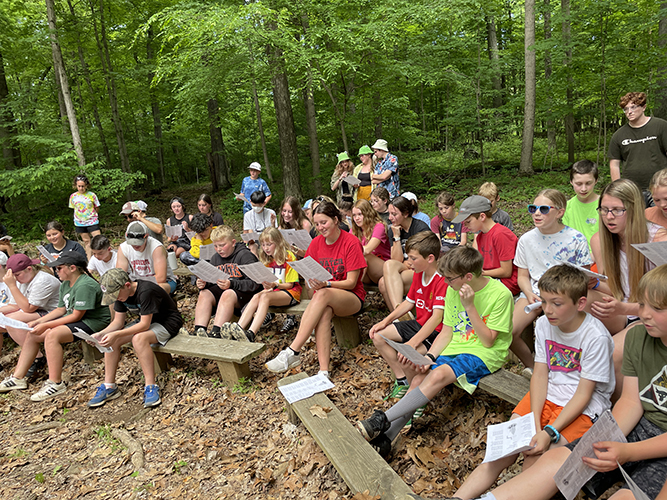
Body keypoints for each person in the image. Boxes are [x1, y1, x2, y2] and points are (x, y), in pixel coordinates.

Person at [451, 264, 667, 500]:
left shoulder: (595, 335)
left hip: (617, 424)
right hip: (626, 426)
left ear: (579, 303)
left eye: (655, 308)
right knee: (544, 458)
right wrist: (611, 442)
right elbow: (630, 401)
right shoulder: (638, 336)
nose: (643, 314)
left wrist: (626, 451)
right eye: (642, 305)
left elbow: (587, 393)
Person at [356, 246, 513, 457]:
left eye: (449, 279)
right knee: (419, 379)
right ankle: (386, 439)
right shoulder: (452, 289)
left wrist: (470, 307)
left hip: (485, 354)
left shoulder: (500, 294)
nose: (446, 283)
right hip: (456, 348)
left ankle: (381, 419)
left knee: (438, 374)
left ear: (468, 276)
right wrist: (429, 357)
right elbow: (447, 333)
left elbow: (487, 341)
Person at [265, 201, 367, 377]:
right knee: (324, 311)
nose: (320, 227)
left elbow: (351, 283)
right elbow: (310, 279)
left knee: (323, 293)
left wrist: (326, 284)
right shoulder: (316, 244)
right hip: (324, 298)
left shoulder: (351, 242)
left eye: (324, 222)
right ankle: (323, 372)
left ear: (335, 220)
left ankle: (293, 351)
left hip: (351, 298)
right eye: (317, 224)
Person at [589, 179, 667, 400]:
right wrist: (593, 283)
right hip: (625, 310)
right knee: (579, 300)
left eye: (617, 210)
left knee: (610, 354)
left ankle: (621, 406)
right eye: (604, 210)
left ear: (633, 209)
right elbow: (618, 289)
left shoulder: (657, 240)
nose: (609, 217)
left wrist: (623, 308)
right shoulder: (604, 239)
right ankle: (567, 380)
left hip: (649, 315)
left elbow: (662, 302)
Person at [0, 253, 111, 401]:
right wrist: (39, 322)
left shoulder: (85, 284)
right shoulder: (66, 283)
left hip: (93, 322)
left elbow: (76, 316)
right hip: (76, 319)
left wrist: (45, 324)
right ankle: (18, 377)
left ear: (72, 268)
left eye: (59, 268)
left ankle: (55, 383)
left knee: (53, 335)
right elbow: (60, 310)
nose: (56, 272)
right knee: (33, 334)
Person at [513, 189, 592, 371]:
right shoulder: (526, 240)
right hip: (534, 293)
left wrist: (559, 297)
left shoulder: (576, 238)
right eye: (533, 209)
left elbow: (584, 278)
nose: (537, 213)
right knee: (509, 333)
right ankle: (534, 369)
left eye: (544, 209)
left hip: (565, 294)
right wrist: (529, 293)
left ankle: (571, 370)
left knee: (565, 332)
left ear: (560, 212)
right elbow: (523, 275)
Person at [87, 268, 183, 408]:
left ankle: (151, 386)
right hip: (148, 323)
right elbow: (118, 323)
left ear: (127, 285)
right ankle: (109, 386)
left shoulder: (146, 291)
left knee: (139, 339)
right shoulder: (121, 295)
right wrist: (101, 334)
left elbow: (144, 325)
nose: (116, 299)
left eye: (116, 294)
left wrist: (116, 334)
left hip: (167, 322)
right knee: (112, 340)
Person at [369, 232, 446, 400]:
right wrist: (385, 321)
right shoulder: (419, 272)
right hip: (419, 324)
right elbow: (408, 302)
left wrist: (413, 342)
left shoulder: (442, 280)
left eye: (413, 258)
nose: (408, 262)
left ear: (430, 258)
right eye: (408, 257)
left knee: (407, 357)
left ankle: (415, 394)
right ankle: (402, 380)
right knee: (378, 335)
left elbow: (437, 318)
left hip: (435, 332)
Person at [226, 228, 301, 341]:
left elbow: (290, 284)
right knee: (256, 296)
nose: (266, 248)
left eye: (269, 244)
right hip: (273, 291)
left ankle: (251, 333)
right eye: (263, 245)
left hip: (290, 293)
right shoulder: (266, 258)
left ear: (278, 242)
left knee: (264, 296)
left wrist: (274, 285)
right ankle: (239, 328)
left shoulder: (288, 256)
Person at [192, 226, 261, 340]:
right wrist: (204, 284)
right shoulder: (215, 258)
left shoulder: (245, 256)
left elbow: (255, 283)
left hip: (245, 296)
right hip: (224, 296)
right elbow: (214, 282)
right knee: (204, 293)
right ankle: (199, 330)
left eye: (222, 245)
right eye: (215, 246)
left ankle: (216, 332)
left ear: (233, 242)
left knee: (227, 293)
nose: (219, 249)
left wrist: (232, 284)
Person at [0, 254, 60, 376]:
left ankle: (37, 357)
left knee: (11, 321)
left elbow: (28, 308)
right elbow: (14, 305)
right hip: (36, 311)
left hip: (53, 312)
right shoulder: (23, 279)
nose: (15, 279)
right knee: (5, 320)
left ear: (29, 269)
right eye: (14, 276)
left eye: (17, 275)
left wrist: (11, 286)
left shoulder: (43, 280)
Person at [609, 91, 667, 206]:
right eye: (626, 109)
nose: (629, 112)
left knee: (660, 222)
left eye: (633, 107)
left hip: (660, 188)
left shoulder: (660, 126)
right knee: (636, 223)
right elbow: (614, 164)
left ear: (644, 107)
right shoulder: (619, 135)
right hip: (632, 190)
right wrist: (618, 189)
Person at [457, 195, 520, 295]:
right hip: (491, 278)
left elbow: (506, 271)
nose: (465, 226)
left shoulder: (501, 234)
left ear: (482, 216)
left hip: (507, 283)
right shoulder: (480, 236)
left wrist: (481, 274)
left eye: (468, 222)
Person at [378, 196, 431, 313]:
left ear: (406, 214)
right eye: (389, 214)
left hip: (423, 271)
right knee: (389, 265)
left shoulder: (420, 228)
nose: (390, 218)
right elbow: (396, 260)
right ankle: (400, 314)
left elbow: (426, 259)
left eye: (394, 214)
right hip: (406, 267)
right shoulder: (394, 229)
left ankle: (398, 315)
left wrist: (409, 263)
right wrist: (396, 237)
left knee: (383, 283)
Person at [116, 221, 177, 294]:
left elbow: (161, 278)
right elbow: (119, 275)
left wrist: (137, 287)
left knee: (151, 291)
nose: (135, 245)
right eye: (132, 242)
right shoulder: (123, 248)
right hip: (136, 282)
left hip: (165, 282)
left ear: (147, 236)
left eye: (139, 243)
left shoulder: (156, 248)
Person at [350, 199, 391, 284]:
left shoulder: (379, 226)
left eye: (360, 214)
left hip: (382, 268)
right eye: (354, 215)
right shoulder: (354, 230)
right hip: (366, 272)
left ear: (368, 213)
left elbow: (368, 249)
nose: (356, 218)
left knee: (365, 257)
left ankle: (351, 289)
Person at [562, 160, 600, 250]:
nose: (583, 189)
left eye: (588, 183)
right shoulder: (566, 207)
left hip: (600, 256)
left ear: (596, 181)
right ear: (571, 182)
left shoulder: (606, 206)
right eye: (579, 184)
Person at [68, 174, 101, 259]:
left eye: (82, 186)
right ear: (76, 186)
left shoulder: (92, 195)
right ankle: (90, 262)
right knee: (87, 241)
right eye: (79, 186)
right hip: (80, 222)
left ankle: (103, 257)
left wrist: (94, 215)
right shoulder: (73, 196)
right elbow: (74, 208)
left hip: (92, 221)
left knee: (98, 239)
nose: (81, 188)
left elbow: (97, 206)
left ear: (86, 185)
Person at [243, 190, 277, 255]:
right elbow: (246, 232)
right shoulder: (247, 215)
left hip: (268, 240)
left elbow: (274, 233)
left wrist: (273, 223)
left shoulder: (271, 213)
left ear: (264, 203)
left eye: (259, 206)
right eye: (254, 205)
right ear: (250, 202)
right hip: (255, 241)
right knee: (253, 247)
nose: (256, 208)